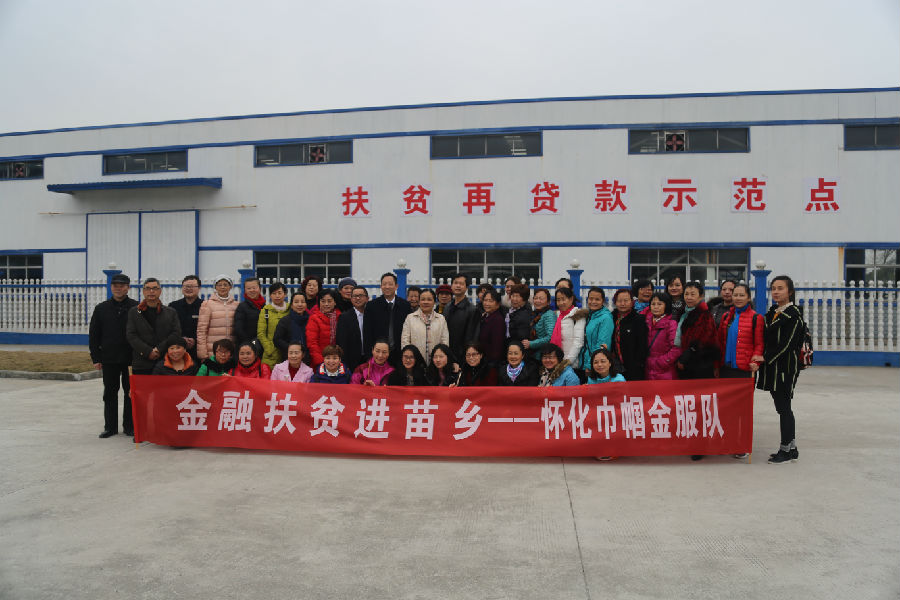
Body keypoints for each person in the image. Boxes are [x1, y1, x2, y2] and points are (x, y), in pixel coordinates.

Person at [754, 276, 805, 464]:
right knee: (782, 408)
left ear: (789, 291)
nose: (776, 292)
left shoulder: (794, 316)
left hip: (785, 369)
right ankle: (792, 449)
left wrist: (765, 357)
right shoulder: (773, 312)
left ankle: (785, 450)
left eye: (780, 288)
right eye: (773, 288)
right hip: (774, 369)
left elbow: (787, 344)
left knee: (784, 408)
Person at [89, 272, 139, 438]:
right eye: (115, 286)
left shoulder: (136, 307)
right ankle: (110, 427)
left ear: (128, 288)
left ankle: (129, 426)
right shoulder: (101, 308)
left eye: (122, 286)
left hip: (131, 358)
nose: (118, 289)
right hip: (109, 358)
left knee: (130, 392)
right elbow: (94, 335)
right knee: (110, 392)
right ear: (111, 287)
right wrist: (96, 358)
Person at [126, 277, 182, 376]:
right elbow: (131, 335)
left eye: (155, 288)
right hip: (141, 362)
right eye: (148, 288)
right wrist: (148, 351)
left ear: (160, 291)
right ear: (143, 291)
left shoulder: (170, 312)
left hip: (165, 361)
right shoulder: (134, 312)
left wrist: (159, 349)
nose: (151, 291)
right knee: (142, 387)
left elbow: (176, 333)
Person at [716, 283, 764, 379]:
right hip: (725, 367)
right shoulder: (726, 316)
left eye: (742, 295)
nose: (738, 298)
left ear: (748, 298)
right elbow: (720, 342)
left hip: (745, 368)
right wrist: (716, 364)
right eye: (735, 295)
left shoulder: (756, 317)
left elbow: (759, 344)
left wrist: (755, 362)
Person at [675, 282, 719, 380]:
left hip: (700, 362)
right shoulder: (684, 313)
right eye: (686, 294)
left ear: (701, 296)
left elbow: (702, 340)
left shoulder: (704, 315)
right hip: (685, 359)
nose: (689, 297)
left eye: (693, 294)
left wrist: (684, 358)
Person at [363, 272, 411, 363]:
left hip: (399, 353)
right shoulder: (371, 306)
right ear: (381, 286)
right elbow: (367, 333)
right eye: (384, 284)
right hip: (379, 354)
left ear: (396, 286)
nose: (387, 287)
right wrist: (369, 356)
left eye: (390, 284)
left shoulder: (405, 306)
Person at [401, 288, 449, 365]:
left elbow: (445, 342)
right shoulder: (410, 318)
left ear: (434, 302)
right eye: (423, 299)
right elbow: (405, 341)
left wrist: (440, 358)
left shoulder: (441, 319)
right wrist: (409, 358)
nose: (426, 302)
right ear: (419, 302)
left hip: (436, 363)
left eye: (429, 299)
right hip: (415, 362)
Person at [610, 288, 648, 382]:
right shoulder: (611, 318)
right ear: (615, 302)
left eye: (626, 300)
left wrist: (638, 364)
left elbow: (642, 345)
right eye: (619, 301)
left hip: (633, 367)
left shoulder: (639, 319)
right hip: (615, 366)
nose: (622, 304)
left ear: (632, 302)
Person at [196, 275, 237, 361]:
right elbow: (201, 331)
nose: (222, 287)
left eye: (225, 285)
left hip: (230, 351)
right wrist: (203, 354)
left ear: (230, 287)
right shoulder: (207, 304)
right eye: (219, 285)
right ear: (215, 287)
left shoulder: (236, 305)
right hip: (213, 351)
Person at [578, 287, 614, 378]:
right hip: (583, 364)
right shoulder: (590, 315)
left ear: (603, 301)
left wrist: (589, 365)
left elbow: (602, 345)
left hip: (594, 367)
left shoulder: (605, 318)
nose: (593, 302)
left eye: (597, 299)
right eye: (591, 299)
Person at [645, 292, 680, 380]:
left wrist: (661, 362)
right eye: (653, 304)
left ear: (666, 306)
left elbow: (676, 348)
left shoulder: (671, 324)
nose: (656, 307)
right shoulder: (646, 322)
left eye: (660, 304)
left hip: (665, 370)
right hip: (648, 369)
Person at [443, 273, 478, 362]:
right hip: (446, 353)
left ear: (466, 287)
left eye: (461, 284)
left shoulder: (472, 310)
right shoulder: (447, 307)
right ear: (451, 286)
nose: (458, 286)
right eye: (455, 283)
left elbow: (471, 337)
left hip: (462, 356)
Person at [551, 287, 586, 372]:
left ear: (571, 299)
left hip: (572, 365)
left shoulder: (577, 315)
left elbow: (578, 342)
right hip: (556, 363)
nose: (561, 303)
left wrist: (566, 362)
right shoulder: (556, 315)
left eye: (563, 299)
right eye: (558, 300)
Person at [335, 285, 369, 372]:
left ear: (367, 298)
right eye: (354, 296)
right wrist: (345, 363)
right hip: (352, 361)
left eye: (360, 296)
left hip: (369, 359)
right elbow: (342, 342)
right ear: (351, 299)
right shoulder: (344, 317)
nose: (357, 298)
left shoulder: (371, 315)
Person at [256, 281, 290, 367]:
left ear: (285, 294)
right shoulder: (265, 311)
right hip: (271, 354)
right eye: (274, 293)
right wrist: (269, 349)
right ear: (270, 295)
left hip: (289, 352)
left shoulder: (290, 309)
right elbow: (261, 333)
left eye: (279, 293)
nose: (277, 296)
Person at [168, 275, 202, 361]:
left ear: (199, 288)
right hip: (177, 349)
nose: (188, 289)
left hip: (198, 350)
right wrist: (181, 339)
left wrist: (195, 340)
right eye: (186, 286)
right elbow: (169, 328)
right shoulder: (173, 306)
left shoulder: (205, 306)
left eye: (192, 286)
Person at [306, 289, 341, 367]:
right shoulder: (314, 318)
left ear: (335, 302)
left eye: (329, 301)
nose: (326, 304)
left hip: (338, 360)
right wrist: (321, 362)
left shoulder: (340, 317)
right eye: (323, 301)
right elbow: (312, 343)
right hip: (320, 362)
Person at [273, 291, 309, 360]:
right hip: (289, 358)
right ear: (291, 305)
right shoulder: (285, 321)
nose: (300, 304)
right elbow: (277, 340)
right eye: (296, 302)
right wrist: (292, 349)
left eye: (302, 302)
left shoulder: (310, 320)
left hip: (307, 358)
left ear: (306, 304)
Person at [522, 288, 555, 360]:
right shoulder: (536, 313)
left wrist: (531, 344)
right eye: (536, 298)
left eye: (541, 298)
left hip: (543, 356)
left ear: (548, 302)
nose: (537, 301)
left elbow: (550, 337)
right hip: (534, 354)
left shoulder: (549, 315)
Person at [477, 288, 506, 367]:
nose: (487, 303)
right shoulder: (486, 316)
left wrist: (491, 364)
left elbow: (497, 346)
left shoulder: (497, 320)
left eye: (491, 301)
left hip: (491, 363)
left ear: (498, 304)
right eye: (485, 300)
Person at [234, 277, 264, 348]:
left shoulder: (264, 306)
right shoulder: (242, 307)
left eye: (254, 288)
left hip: (262, 345)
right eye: (248, 288)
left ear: (259, 288)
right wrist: (250, 344)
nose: (252, 290)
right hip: (247, 346)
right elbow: (239, 329)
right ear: (245, 290)